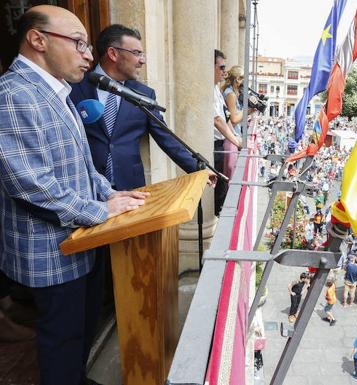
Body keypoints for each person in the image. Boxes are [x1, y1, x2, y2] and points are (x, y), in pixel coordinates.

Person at [0, 6, 148, 385]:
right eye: (79, 43)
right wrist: (101, 210)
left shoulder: (58, 91)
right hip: (51, 251)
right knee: (62, 339)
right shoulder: (13, 94)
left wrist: (113, 194)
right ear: (38, 39)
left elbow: (84, 166)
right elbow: (31, 184)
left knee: (80, 332)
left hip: (83, 238)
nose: (88, 54)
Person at [70, 24, 213, 191]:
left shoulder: (144, 95)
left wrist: (198, 169)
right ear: (113, 53)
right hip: (86, 188)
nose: (142, 60)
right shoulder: (74, 86)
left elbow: (166, 138)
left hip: (130, 188)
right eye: (137, 53)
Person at [213, 49, 242, 215]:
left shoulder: (217, 89)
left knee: (222, 184)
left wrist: (235, 138)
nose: (225, 71)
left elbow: (226, 118)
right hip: (216, 145)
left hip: (222, 142)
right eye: (222, 67)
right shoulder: (216, 90)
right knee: (219, 186)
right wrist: (236, 141)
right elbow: (218, 121)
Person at [221, 65, 249, 178]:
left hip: (231, 135)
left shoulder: (229, 92)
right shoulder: (230, 94)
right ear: (237, 79)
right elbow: (233, 120)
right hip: (231, 137)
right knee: (231, 172)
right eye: (243, 79)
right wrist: (247, 110)